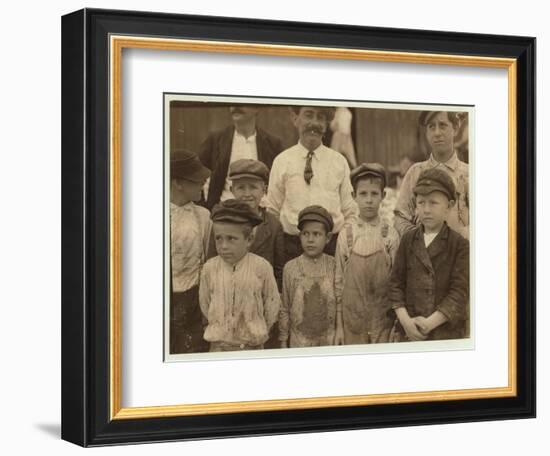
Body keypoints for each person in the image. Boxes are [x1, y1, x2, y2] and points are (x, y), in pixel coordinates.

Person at [265, 105, 358, 261]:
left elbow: (350, 211)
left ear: (327, 123)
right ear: (295, 118)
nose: (314, 123)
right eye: (309, 115)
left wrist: (342, 244)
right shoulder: (282, 161)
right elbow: (272, 211)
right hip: (292, 248)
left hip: (331, 247)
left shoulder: (339, 162)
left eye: (321, 117)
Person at [388, 168, 469, 341]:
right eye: (421, 202)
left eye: (433, 203)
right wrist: (406, 322)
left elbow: (459, 293)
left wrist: (429, 324)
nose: (426, 210)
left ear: (450, 205)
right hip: (408, 331)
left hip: (444, 333)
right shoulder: (408, 240)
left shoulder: (459, 245)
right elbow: (395, 284)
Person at [199, 199, 281, 352]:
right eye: (219, 238)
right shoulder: (209, 268)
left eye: (231, 239)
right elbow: (205, 303)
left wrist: (257, 330)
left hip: (252, 346)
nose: (223, 246)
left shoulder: (261, 267)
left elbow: (272, 304)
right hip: (219, 346)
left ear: (249, 240)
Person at [334, 163, 400, 345]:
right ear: (354, 196)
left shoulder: (390, 235)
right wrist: (339, 326)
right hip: (352, 321)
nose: (369, 200)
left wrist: (396, 325)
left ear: (383, 196)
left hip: (383, 322)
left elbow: (397, 283)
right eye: (363, 194)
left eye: (374, 194)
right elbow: (338, 283)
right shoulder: (346, 234)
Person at [206, 158, 285, 291]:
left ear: (264, 189)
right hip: (227, 292)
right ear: (232, 190)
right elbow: (212, 263)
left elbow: (279, 270)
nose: (247, 194)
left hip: (260, 294)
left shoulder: (273, 225)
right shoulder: (221, 221)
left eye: (253, 187)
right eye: (241, 187)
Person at [394, 111, 469, 239]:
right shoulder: (416, 173)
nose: (437, 133)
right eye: (431, 127)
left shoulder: (469, 174)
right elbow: (400, 217)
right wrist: (419, 240)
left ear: (455, 129)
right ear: (427, 133)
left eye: (443, 125)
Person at [198, 105, 283, 210]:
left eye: (243, 102)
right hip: (224, 213)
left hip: (261, 213)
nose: (235, 106)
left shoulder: (272, 143)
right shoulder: (216, 139)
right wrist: (204, 209)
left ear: (257, 108)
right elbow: (196, 175)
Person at [169, 150, 212, 354]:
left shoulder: (203, 216)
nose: (202, 185)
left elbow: (205, 257)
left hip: (193, 299)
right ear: (177, 182)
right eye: (196, 181)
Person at [279, 206, 337, 348]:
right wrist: (283, 340)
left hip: (328, 340)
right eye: (306, 234)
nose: (310, 239)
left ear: (328, 238)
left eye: (316, 234)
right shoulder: (291, 268)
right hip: (299, 341)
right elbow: (285, 307)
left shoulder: (334, 265)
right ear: (300, 236)